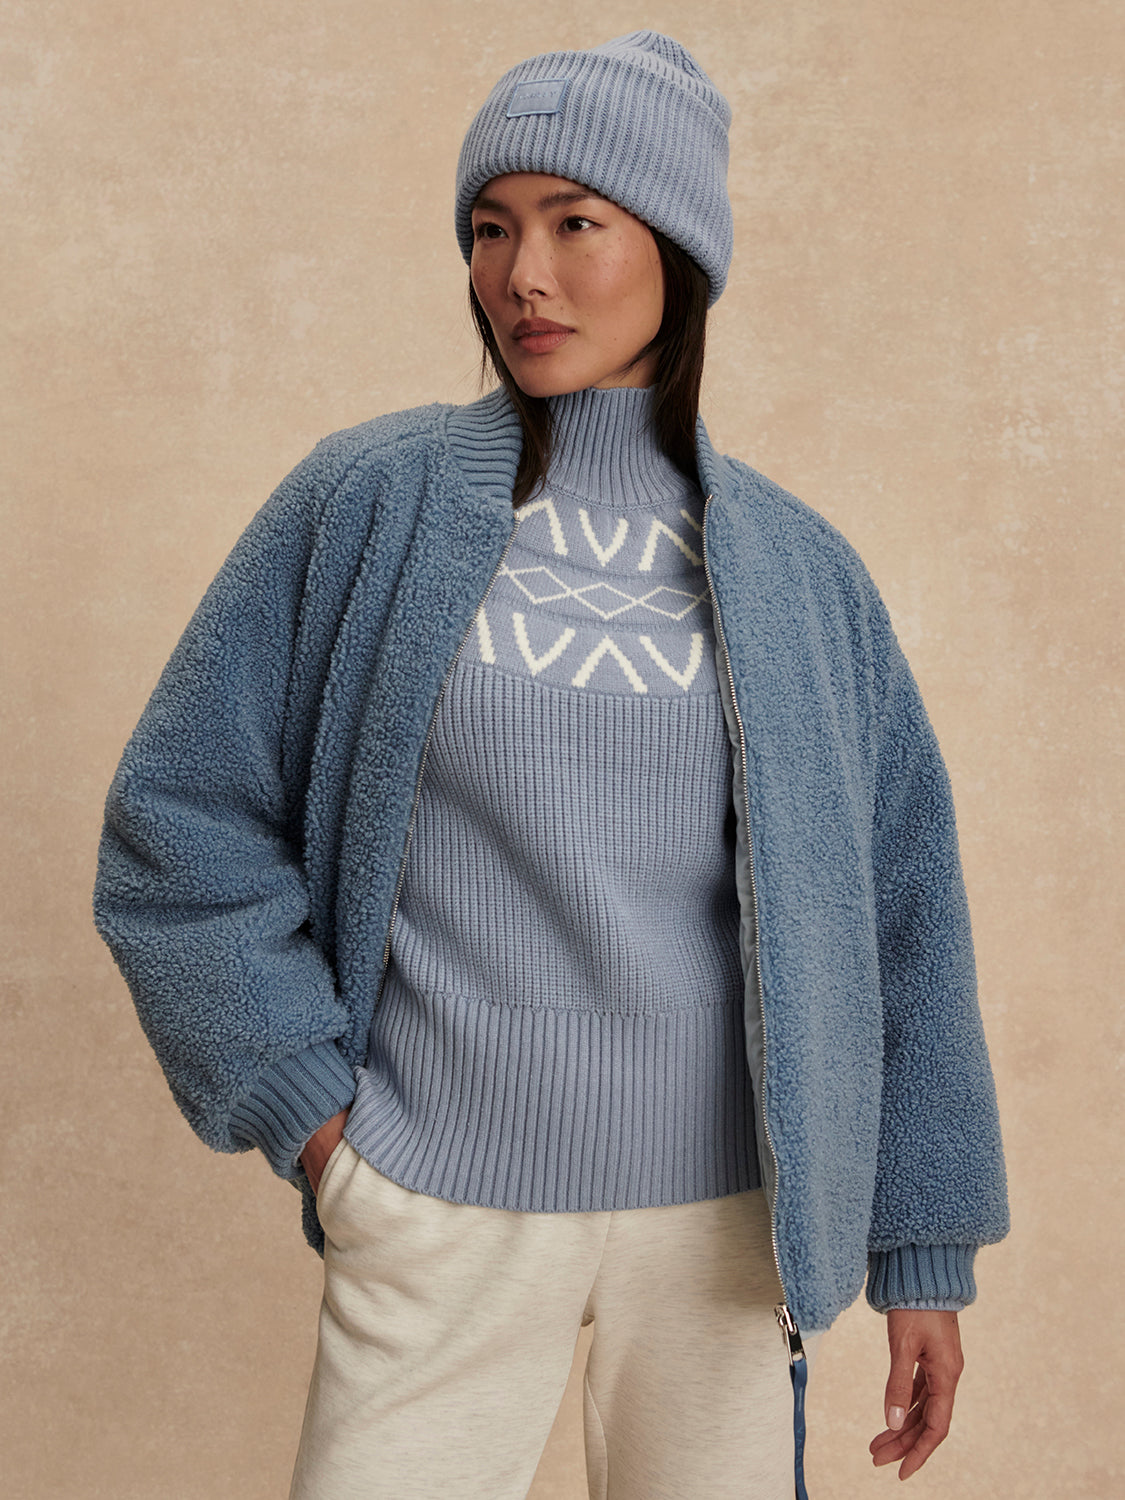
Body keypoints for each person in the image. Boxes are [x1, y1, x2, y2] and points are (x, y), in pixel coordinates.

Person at [92, 30, 1009, 1500]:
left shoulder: (799, 572)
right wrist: (317, 1123)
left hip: (729, 1233)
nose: (523, 274)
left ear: (677, 252)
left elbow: (904, 910)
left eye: (576, 223)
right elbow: (177, 819)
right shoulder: (367, 503)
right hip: (435, 1199)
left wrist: (920, 1245)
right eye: (490, 227)